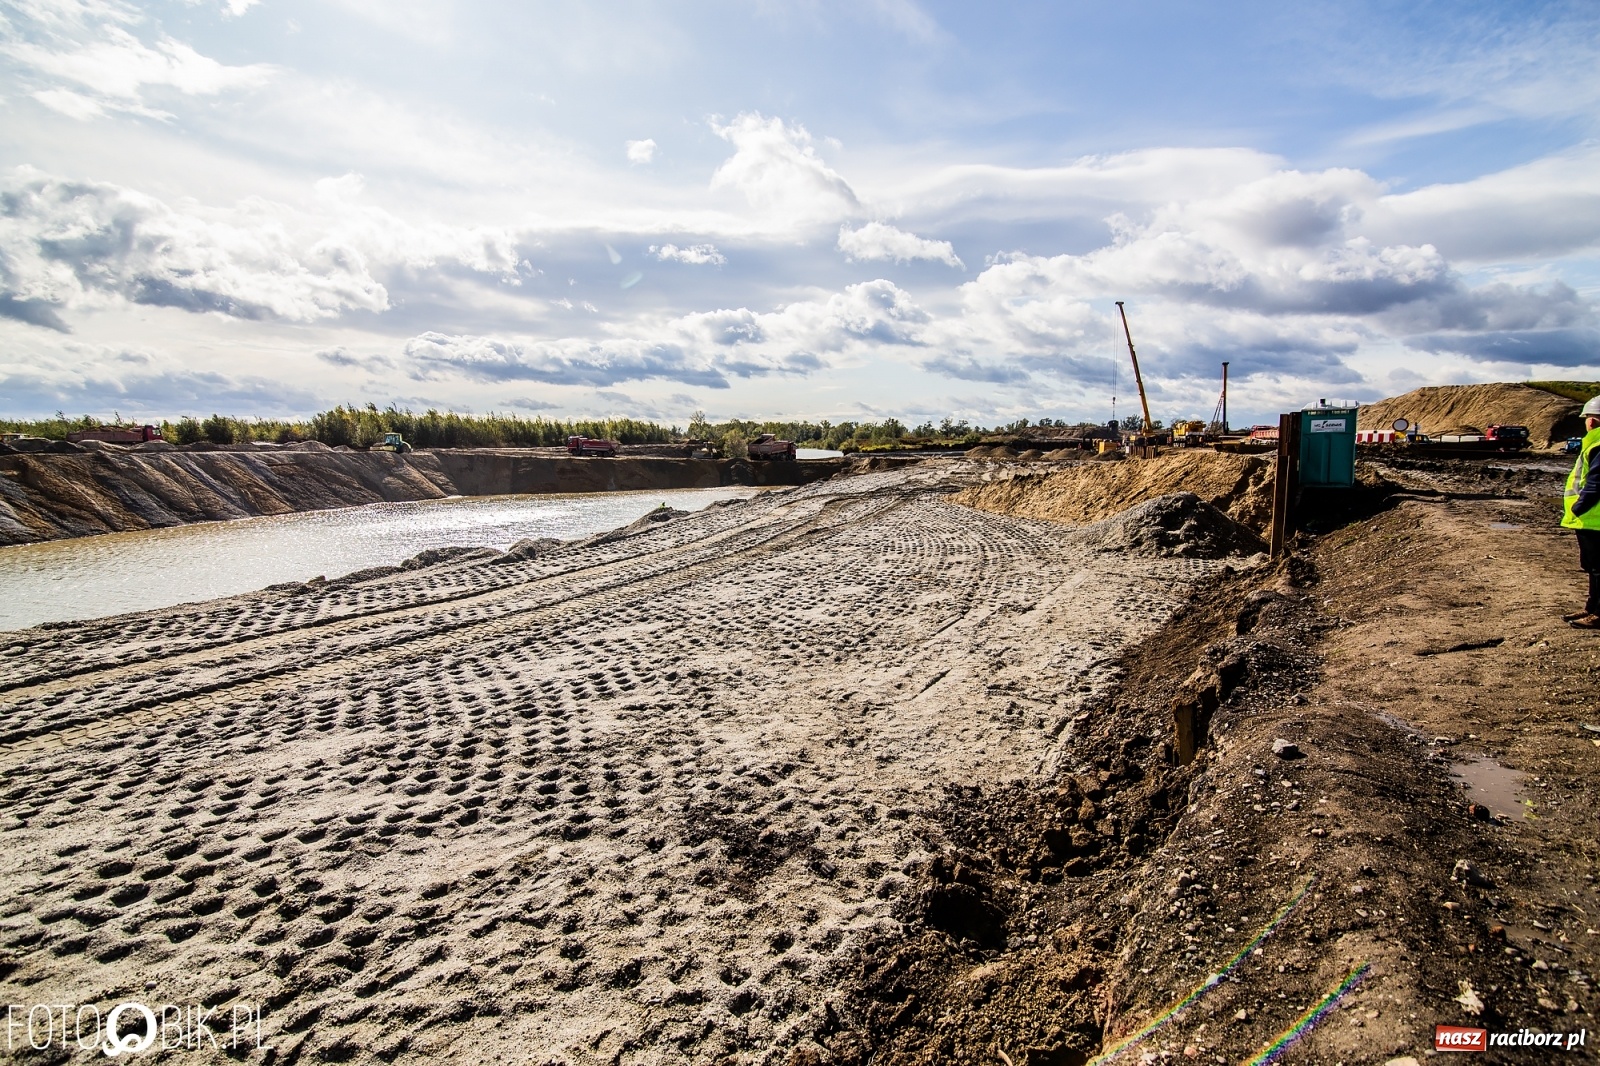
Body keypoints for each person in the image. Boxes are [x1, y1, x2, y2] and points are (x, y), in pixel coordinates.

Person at [1561, 396, 1600, 628]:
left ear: (1593, 421)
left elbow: (1596, 482)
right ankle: (1591, 608)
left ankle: (1598, 613)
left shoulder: (1597, 444)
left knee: (1598, 569)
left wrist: (1579, 506)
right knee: (1593, 568)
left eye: (1586, 418)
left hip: (1594, 518)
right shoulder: (1593, 444)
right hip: (1590, 519)